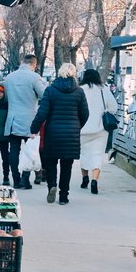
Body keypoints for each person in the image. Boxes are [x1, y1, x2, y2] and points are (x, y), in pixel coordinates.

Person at [30, 63, 89, 204]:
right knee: (66, 166)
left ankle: (52, 186)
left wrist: (34, 129)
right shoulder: (79, 91)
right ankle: (64, 196)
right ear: (74, 74)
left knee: (51, 163)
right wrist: (77, 126)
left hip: (53, 132)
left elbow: (42, 112)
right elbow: (85, 113)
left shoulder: (50, 90)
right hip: (71, 134)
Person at [3, 55, 46, 188]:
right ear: (34, 64)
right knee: (30, 151)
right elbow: (44, 95)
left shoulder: (9, 77)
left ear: (23, 62)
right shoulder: (35, 77)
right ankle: (25, 179)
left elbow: (5, 97)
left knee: (14, 149)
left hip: (12, 119)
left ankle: (15, 180)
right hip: (30, 120)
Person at [78, 68, 117, 194]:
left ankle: (85, 178)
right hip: (100, 129)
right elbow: (114, 108)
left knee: (83, 154)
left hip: (82, 129)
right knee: (97, 154)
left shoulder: (80, 90)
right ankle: (95, 180)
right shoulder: (103, 89)